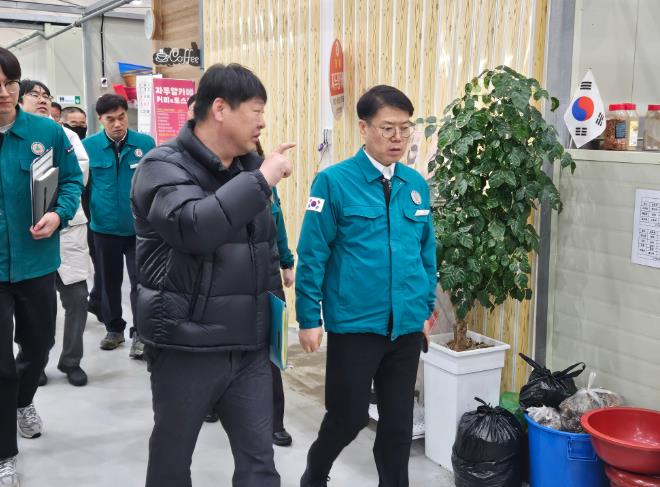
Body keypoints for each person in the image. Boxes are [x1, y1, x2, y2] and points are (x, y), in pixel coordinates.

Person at [131, 63, 293, 487]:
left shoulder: (247, 168)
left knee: (260, 464)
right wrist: (261, 180)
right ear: (220, 109)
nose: (262, 122)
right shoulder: (161, 166)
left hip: (249, 348)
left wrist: (273, 327)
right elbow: (194, 228)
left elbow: (265, 252)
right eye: (256, 111)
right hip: (186, 345)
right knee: (172, 461)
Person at [296, 85, 437, 487]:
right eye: (387, 128)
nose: (398, 138)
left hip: (405, 325)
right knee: (348, 416)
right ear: (363, 128)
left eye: (405, 128)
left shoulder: (415, 184)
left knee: (398, 425)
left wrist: (426, 309)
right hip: (356, 323)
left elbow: (426, 252)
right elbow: (313, 253)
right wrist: (309, 317)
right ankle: (314, 475)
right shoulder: (333, 182)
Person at [0, 48, 83, 487]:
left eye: (10, 84)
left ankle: (23, 400)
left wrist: (58, 214)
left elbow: (71, 181)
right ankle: (4, 454)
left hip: (35, 263)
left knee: (38, 347)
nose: (3, 93)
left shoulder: (47, 132)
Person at [202, 140, 295, 449]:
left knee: (272, 349)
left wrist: (286, 262)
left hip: (267, 275)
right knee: (221, 344)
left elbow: (278, 220)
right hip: (226, 277)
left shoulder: (267, 181)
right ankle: (214, 401)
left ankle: (275, 421)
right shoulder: (212, 180)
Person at [19, 80, 91, 387]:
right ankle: (35, 361)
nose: (42, 99)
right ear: (19, 100)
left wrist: (56, 206)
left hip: (68, 229)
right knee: (33, 307)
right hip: (29, 234)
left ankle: (71, 360)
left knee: (77, 298)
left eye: (46, 95)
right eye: (34, 94)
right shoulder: (11, 135)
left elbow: (79, 172)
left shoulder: (65, 135)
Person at [82, 94, 155, 358]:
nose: (117, 124)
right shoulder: (88, 147)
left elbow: (154, 184)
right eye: (110, 119)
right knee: (108, 282)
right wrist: (92, 218)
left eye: (121, 117)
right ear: (100, 119)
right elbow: (83, 188)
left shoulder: (145, 144)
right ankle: (114, 329)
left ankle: (141, 334)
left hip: (139, 230)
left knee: (141, 282)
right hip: (103, 229)